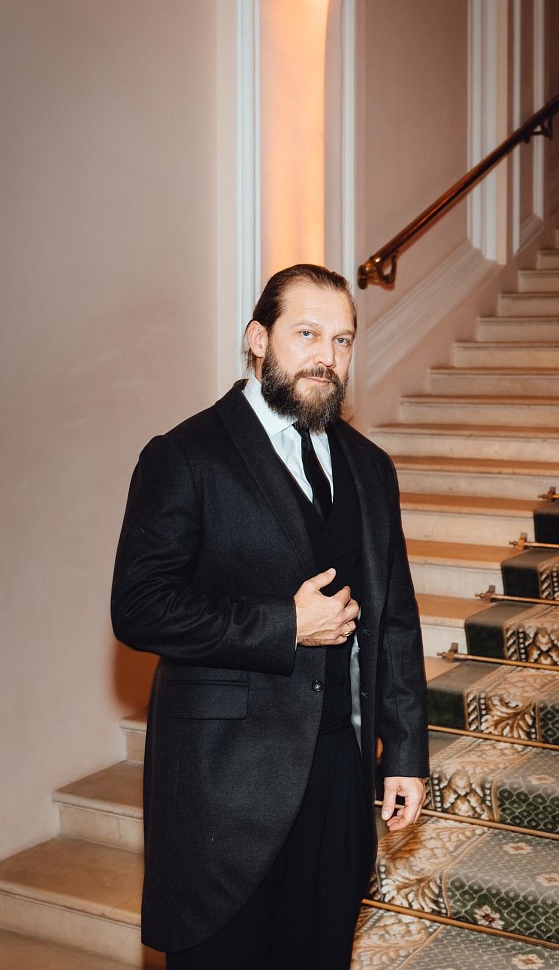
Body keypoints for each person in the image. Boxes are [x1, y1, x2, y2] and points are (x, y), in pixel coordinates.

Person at [111, 263, 429, 970]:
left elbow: (395, 619)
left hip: (340, 773)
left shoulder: (370, 466)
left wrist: (404, 753)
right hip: (224, 782)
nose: (327, 357)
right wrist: (284, 625)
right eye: (307, 334)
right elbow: (138, 607)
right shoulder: (185, 456)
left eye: (342, 341)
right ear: (258, 339)